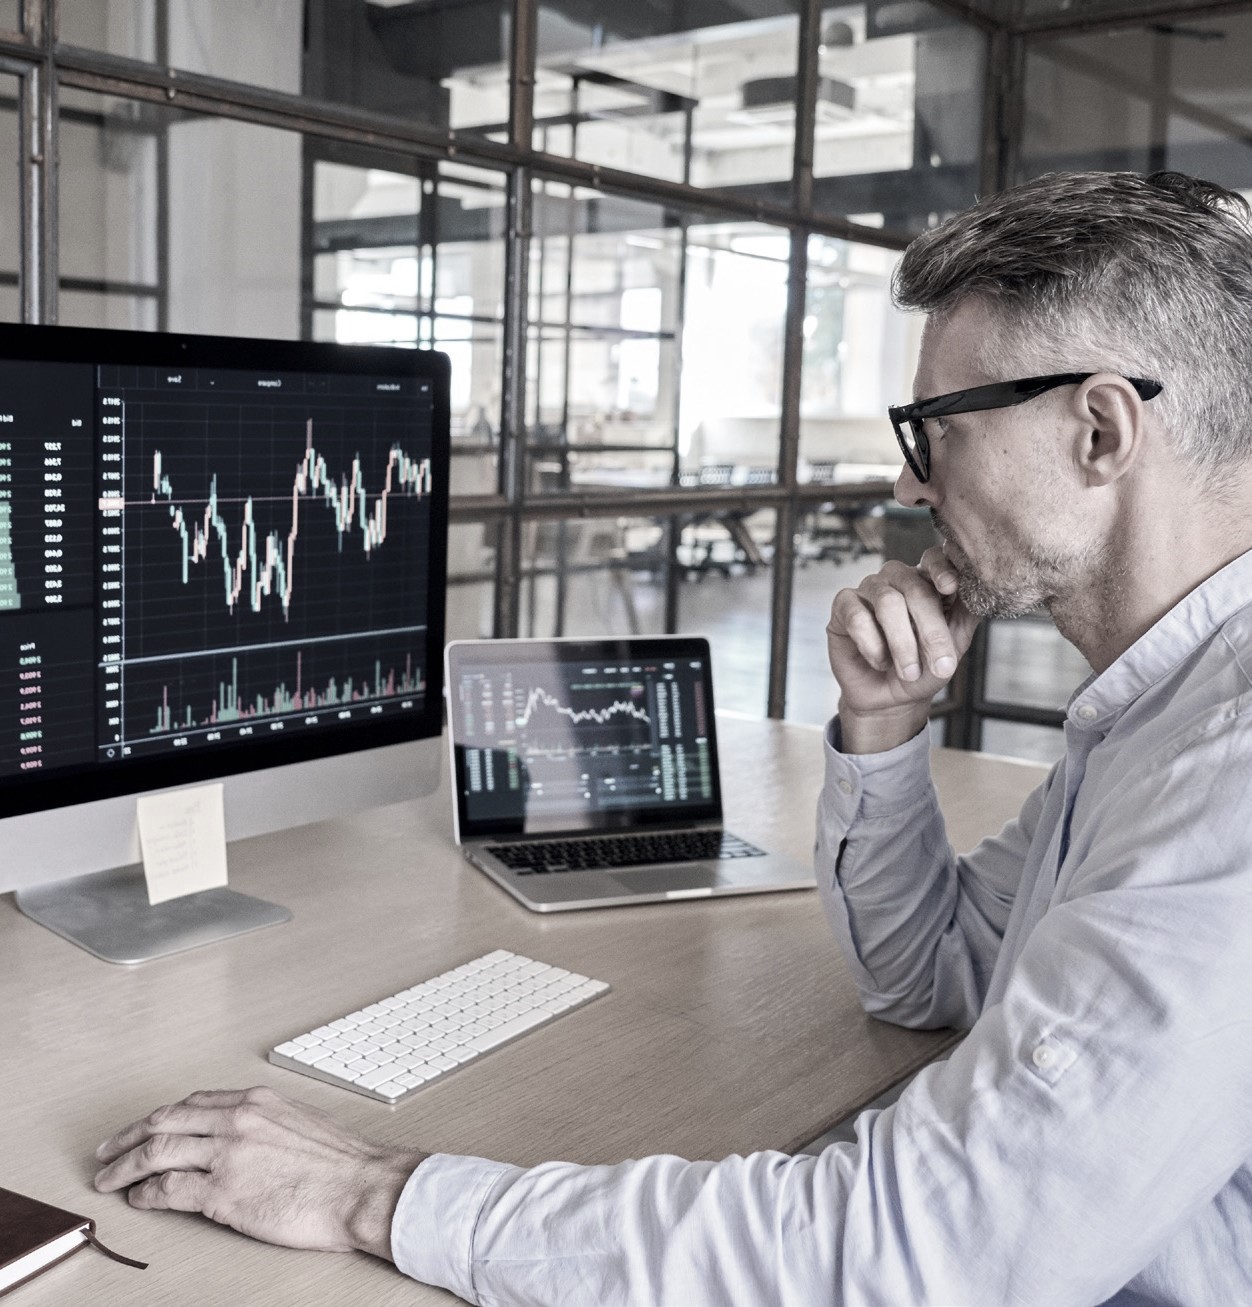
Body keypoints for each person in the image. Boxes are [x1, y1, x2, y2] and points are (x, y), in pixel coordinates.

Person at [94, 170, 1252, 1305]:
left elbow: (915, 1257)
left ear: (1099, 430)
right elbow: (932, 976)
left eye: (934, 427)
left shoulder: (1224, 778)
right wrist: (884, 731)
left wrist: (375, 1189)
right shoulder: (1154, 718)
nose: (909, 481)